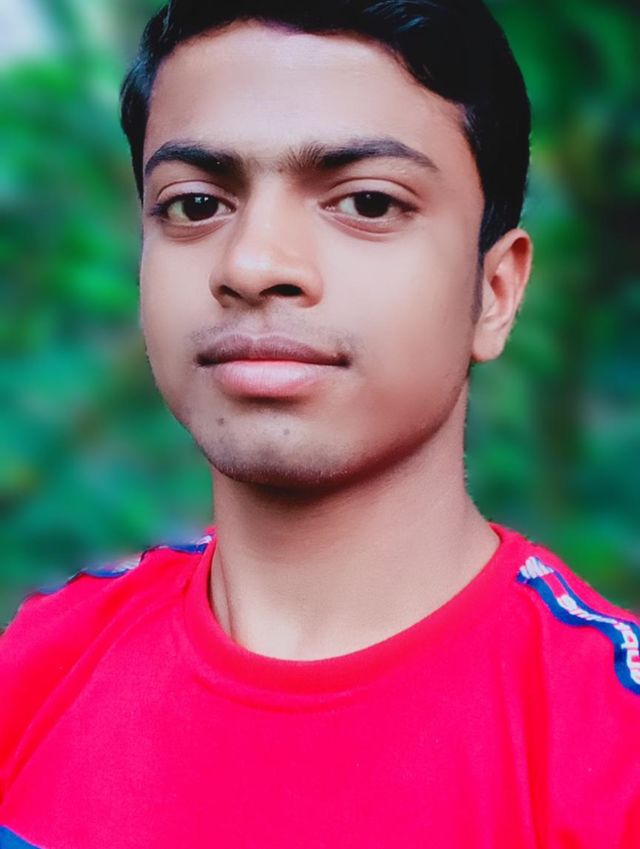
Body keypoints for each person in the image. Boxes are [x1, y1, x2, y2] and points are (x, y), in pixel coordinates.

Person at [1, 1, 639, 846]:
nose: (252, 263)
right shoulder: (35, 668)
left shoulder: (611, 749)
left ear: (495, 292)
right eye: (194, 204)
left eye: (368, 201)